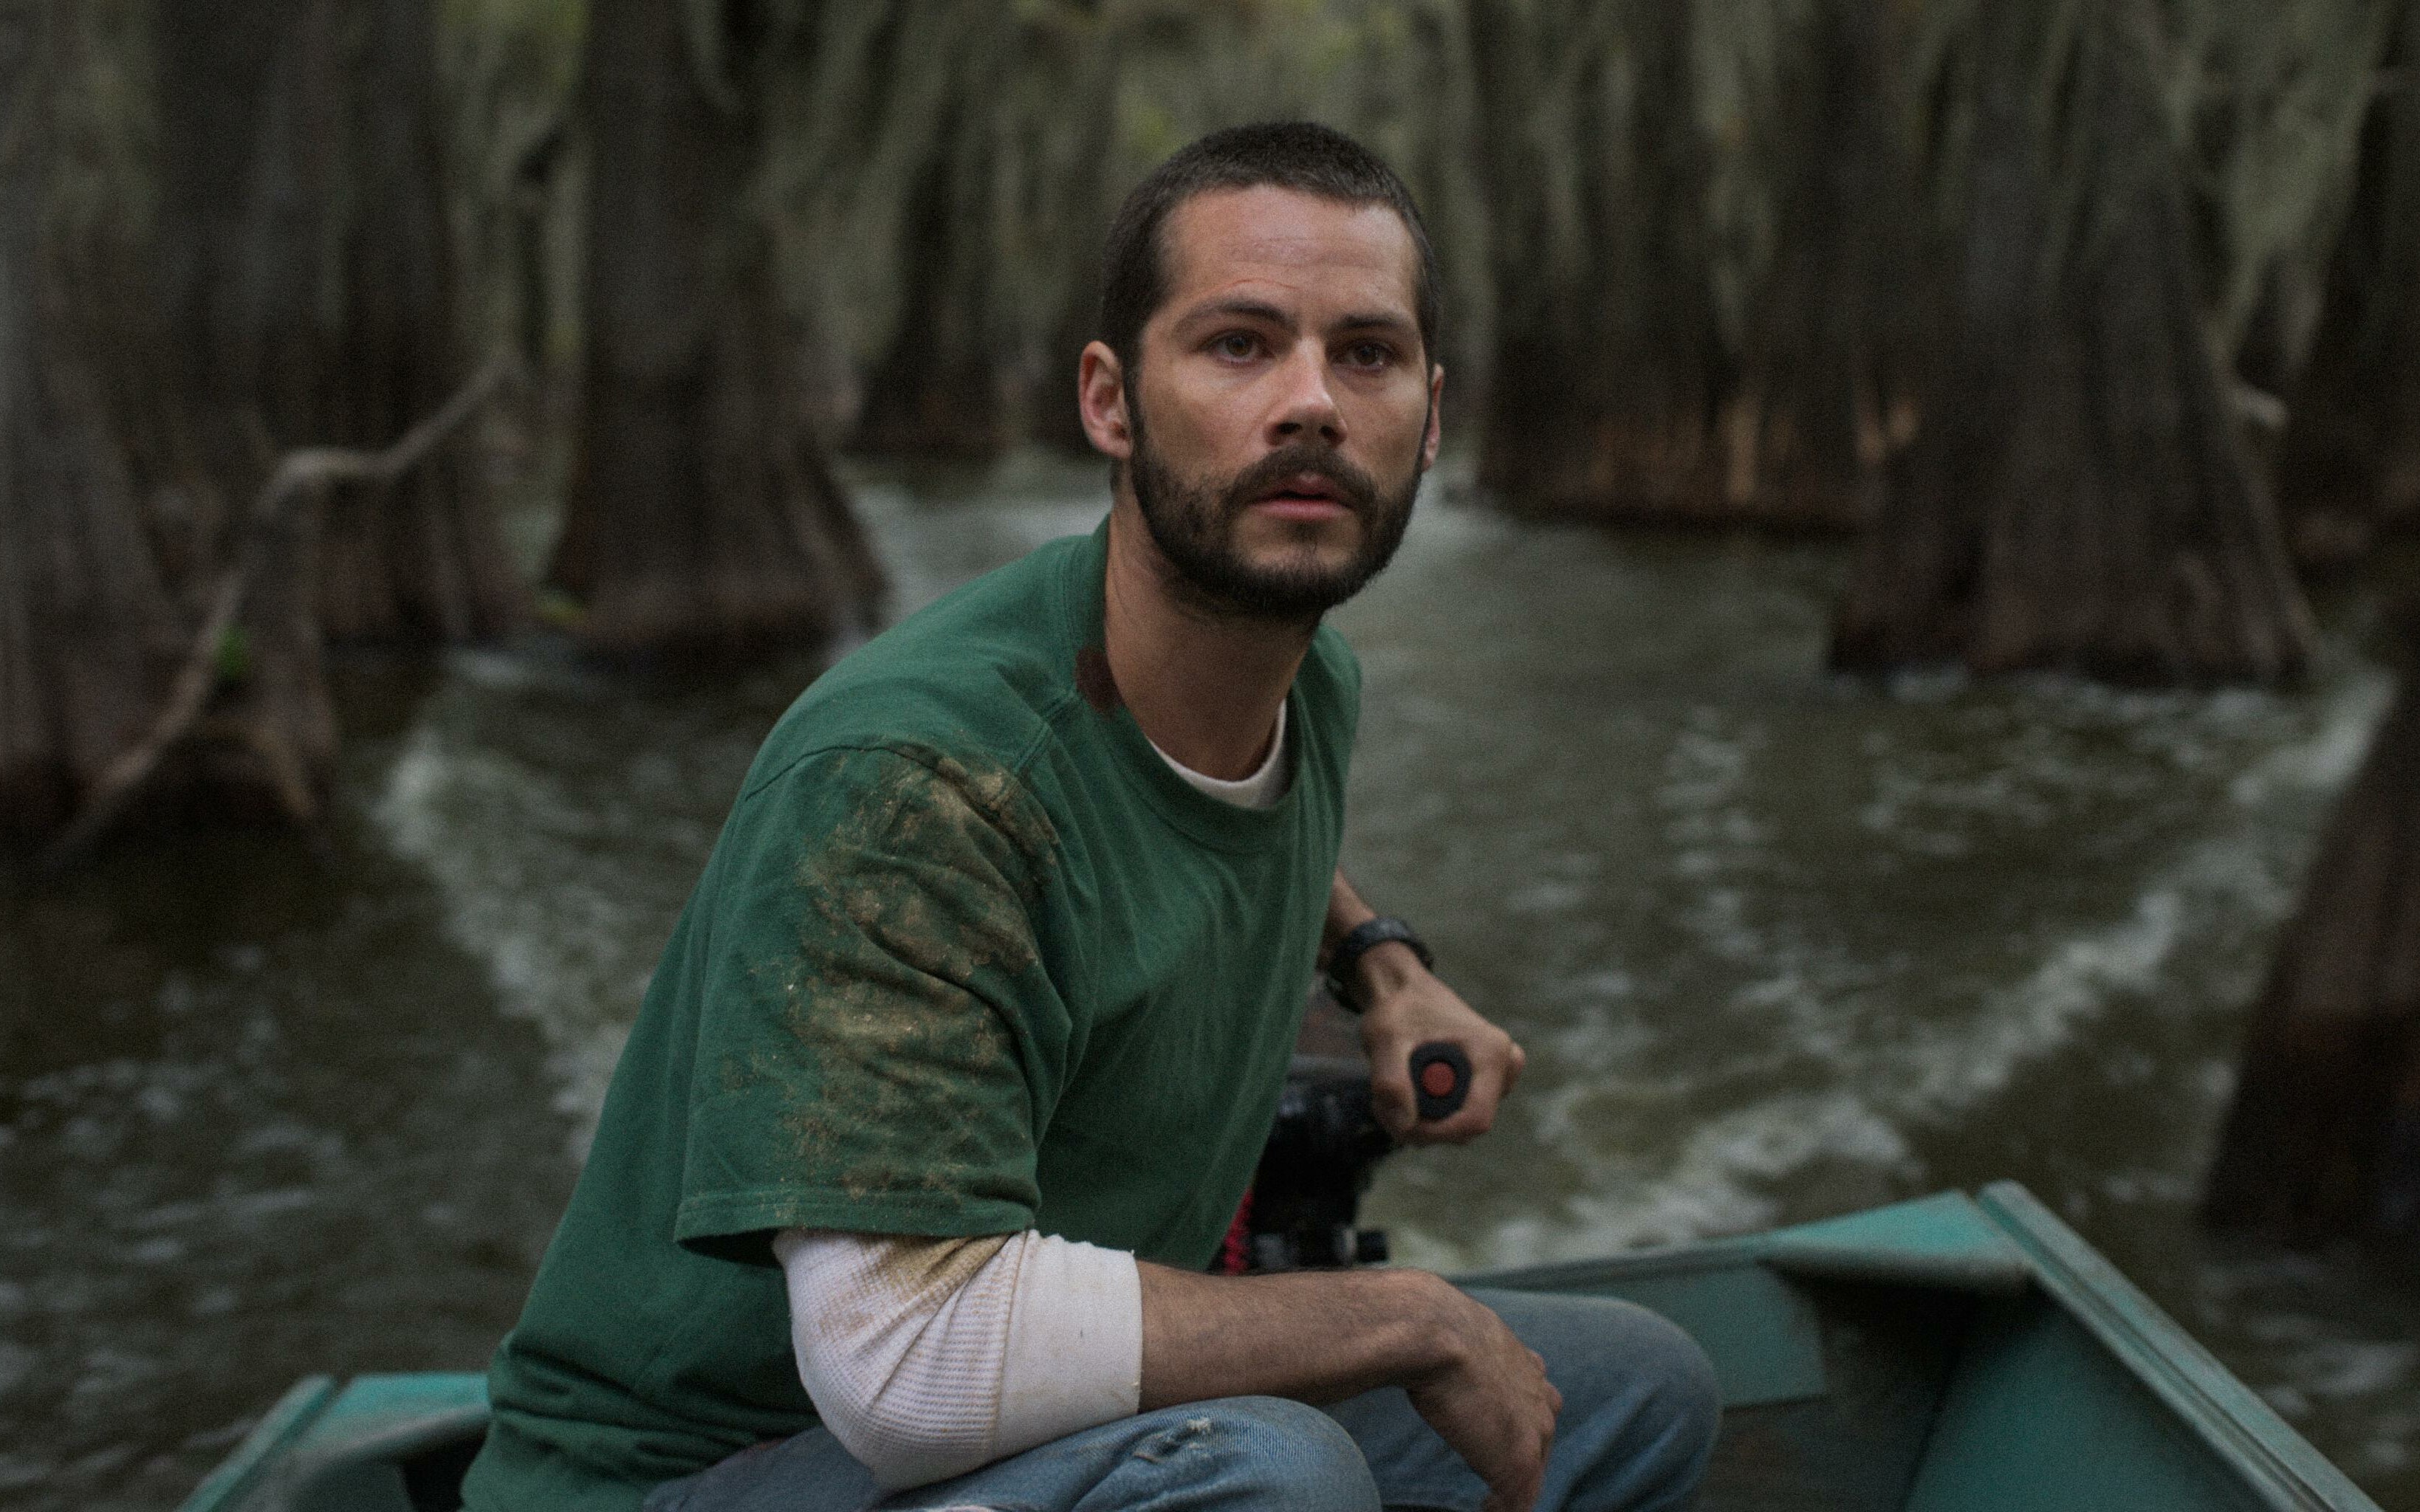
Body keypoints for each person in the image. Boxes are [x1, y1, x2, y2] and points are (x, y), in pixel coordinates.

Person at [460, 121, 1718, 1512]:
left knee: (1635, 1389)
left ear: (1430, 416)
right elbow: (908, 1365)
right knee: (1267, 1473)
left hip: (1006, 1441)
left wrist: (1382, 965)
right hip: (699, 1473)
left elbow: (1205, 819)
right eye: (1239, 344)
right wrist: (1405, 1317)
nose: (1308, 401)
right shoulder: (911, 783)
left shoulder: (1306, 683)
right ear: (1110, 402)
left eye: (1363, 353)